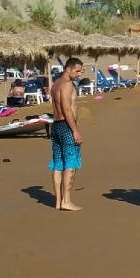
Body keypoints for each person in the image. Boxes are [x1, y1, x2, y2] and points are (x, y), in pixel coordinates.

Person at [48, 58, 85, 212]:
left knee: (58, 163)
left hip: (55, 126)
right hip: (65, 125)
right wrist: (75, 130)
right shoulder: (67, 85)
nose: (79, 74)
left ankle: (58, 201)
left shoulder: (55, 84)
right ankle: (66, 201)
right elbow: (66, 109)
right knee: (70, 163)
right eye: (77, 71)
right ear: (68, 69)